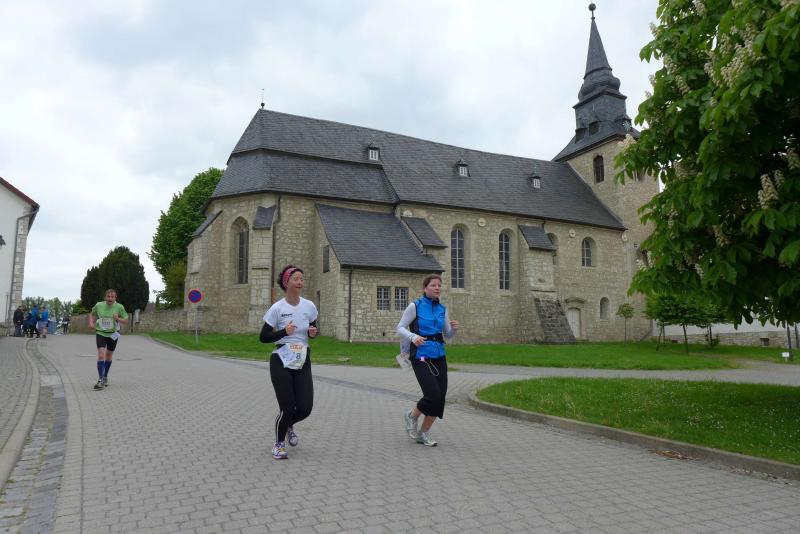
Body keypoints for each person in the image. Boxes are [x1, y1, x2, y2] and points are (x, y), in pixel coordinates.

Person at [259, 265, 318, 460]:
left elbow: (313, 329)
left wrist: (313, 333)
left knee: (305, 408)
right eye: (296, 279)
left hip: (302, 359)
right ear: (287, 283)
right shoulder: (277, 308)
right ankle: (278, 444)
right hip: (281, 360)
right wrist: (284, 332)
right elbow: (264, 337)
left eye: (302, 279)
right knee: (287, 407)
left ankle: (289, 424)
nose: (300, 282)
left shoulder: (309, 306)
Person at [397, 274, 459, 447]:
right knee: (432, 395)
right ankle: (412, 416)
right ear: (425, 288)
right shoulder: (415, 306)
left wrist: (454, 330)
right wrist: (413, 336)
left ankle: (423, 433)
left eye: (439, 285)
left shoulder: (442, 309)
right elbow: (400, 327)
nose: (437, 288)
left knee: (440, 398)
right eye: (433, 285)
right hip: (421, 356)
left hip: (439, 356)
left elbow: (447, 334)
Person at [88, 289, 129, 390]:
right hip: (100, 333)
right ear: (105, 297)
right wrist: (91, 323)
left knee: (109, 356)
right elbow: (92, 314)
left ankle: (105, 376)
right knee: (101, 355)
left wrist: (118, 319)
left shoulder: (119, 307)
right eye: (108, 296)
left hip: (113, 334)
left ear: (115, 298)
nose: (110, 298)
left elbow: (126, 320)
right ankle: (100, 379)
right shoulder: (99, 305)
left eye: (112, 297)